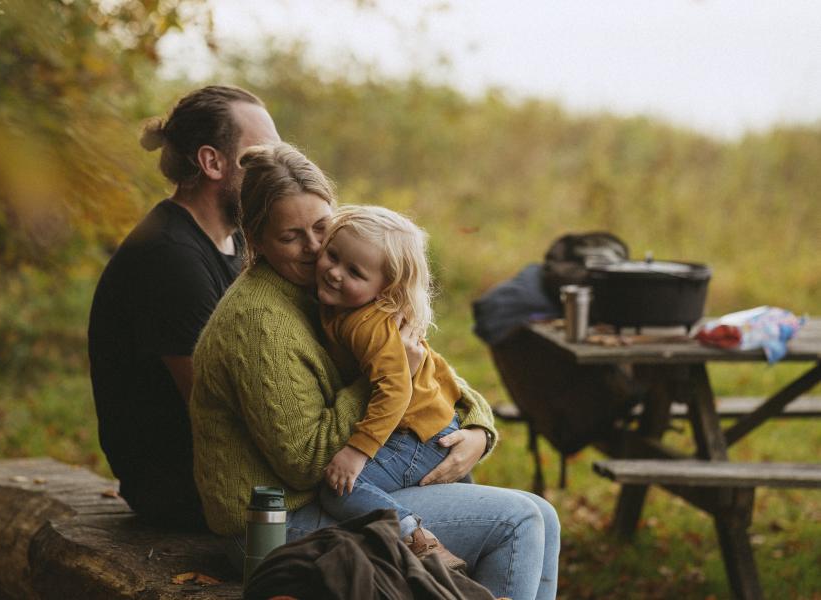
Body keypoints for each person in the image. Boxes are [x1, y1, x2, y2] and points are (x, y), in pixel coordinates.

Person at [190, 141, 560, 599]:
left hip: (348, 488)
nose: (312, 249)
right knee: (518, 521)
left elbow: (427, 368)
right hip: (283, 520)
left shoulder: (337, 284)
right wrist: (377, 381)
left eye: (321, 227)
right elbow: (307, 464)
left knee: (543, 514)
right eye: (290, 236)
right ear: (257, 238)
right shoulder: (260, 321)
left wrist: (479, 429)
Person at [88, 85, 279, 528]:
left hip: (238, 472)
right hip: (189, 491)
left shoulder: (238, 240)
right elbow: (215, 411)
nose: (276, 167)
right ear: (212, 162)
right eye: (262, 154)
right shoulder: (169, 257)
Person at [315, 204, 468, 569]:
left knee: (337, 491)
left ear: (386, 289)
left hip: (419, 434)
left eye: (354, 272)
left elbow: (395, 392)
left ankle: (415, 536)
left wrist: (357, 451)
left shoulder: (369, 326)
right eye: (332, 256)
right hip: (421, 425)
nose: (335, 273)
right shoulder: (341, 307)